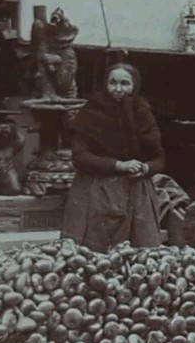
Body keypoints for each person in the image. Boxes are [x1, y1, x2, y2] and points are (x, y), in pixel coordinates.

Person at [61, 61, 166, 253]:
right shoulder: (91, 112)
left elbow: (159, 159)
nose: (118, 89)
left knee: (141, 257)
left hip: (137, 195)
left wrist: (145, 168)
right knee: (93, 256)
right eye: (113, 83)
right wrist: (119, 165)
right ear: (105, 84)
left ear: (135, 85)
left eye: (125, 83)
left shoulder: (143, 113)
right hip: (96, 191)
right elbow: (80, 157)